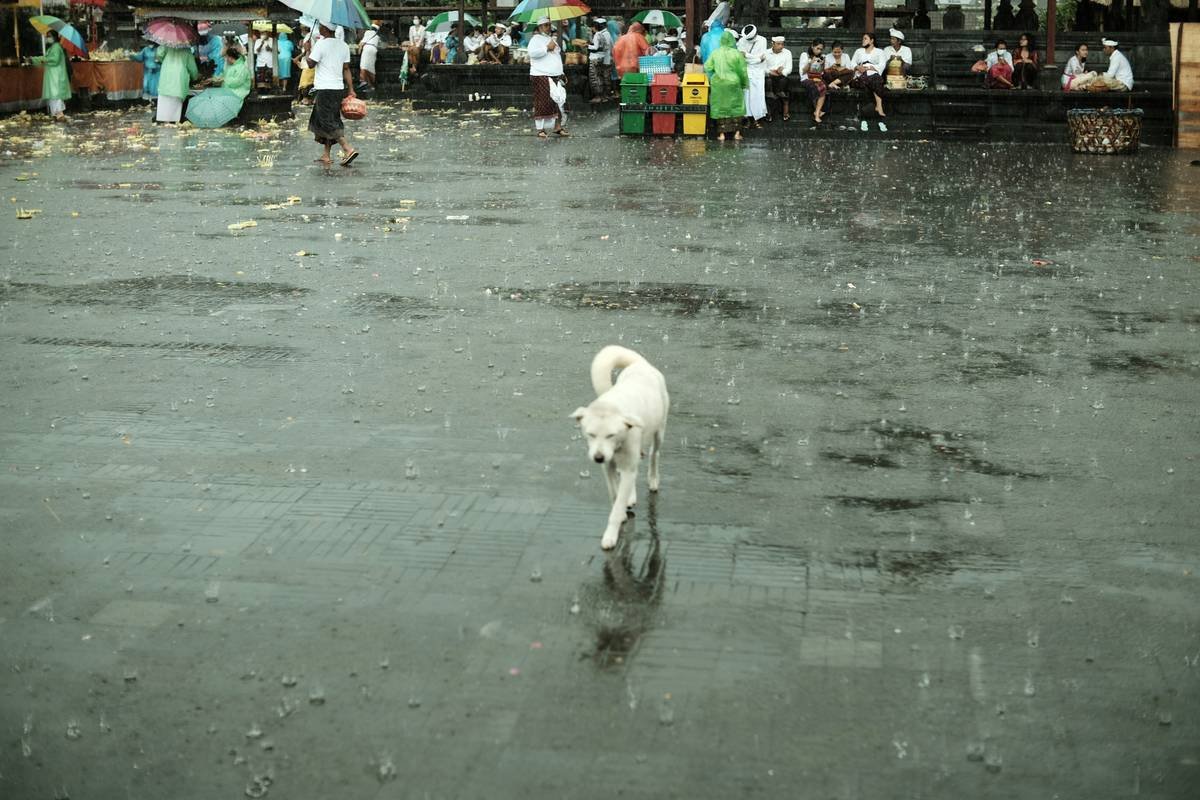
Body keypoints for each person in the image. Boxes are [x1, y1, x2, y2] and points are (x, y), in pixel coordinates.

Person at [306, 21, 359, 166]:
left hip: (324, 88)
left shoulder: (321, 45)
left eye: (321, 27)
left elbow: (310, 64)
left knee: (327, 121)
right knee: (328, 118)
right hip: (337, 88)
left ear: (325, 29)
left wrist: (306, 50)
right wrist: (351, 89)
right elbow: (346, 69)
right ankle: (326, 154)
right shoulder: (343, 45)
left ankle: (347, 148)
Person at [527, 17, 567, 139]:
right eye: (545, 25)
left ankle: (557, 126)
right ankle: (540, 129)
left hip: (555, 75)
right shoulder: (535, 39)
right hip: (541, 75)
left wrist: (562, 73)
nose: (548, 27)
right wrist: (546, 48)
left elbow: (556, 57)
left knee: (559, 101)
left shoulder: (551, 39)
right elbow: (532, 53)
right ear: (540, 27)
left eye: (549, 25)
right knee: (542, 103)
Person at [705, 30, 748, 142]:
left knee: (721, 107)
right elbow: (742, 70)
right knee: (736, 106)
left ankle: (722, 134)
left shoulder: (715, 53)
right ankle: (737, 133)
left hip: (718, 83)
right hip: (733, 82)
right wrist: (744, 83)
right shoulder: (737, 53)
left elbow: (707, 67)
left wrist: (715, 72)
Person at [31, 30, 70, 120]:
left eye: (49, 36)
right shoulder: (52, 47)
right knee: (53, 96)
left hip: (56, 76)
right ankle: (56, 114)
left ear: (54, 37)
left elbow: (54, 59)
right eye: (47, 36)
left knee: (56, 95)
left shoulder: (56, 47)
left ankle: (59, 114)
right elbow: (47, 59)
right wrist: (35, 60)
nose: (47, 38)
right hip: (52, 75)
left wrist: (39, 59)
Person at [155, 43, 198, 124]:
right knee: (175, 110)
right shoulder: (187, 51)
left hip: (166, 79)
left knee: (164, 105)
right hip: (178, 81)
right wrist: (195, 77)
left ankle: (163, 121)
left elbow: (159, 54)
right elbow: (193, 69)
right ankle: (173, 123)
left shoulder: (167, 46)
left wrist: (165, 61)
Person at [851, 32, 886, 126]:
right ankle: (879, 106)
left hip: (873, 73)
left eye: (865, 39)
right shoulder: (859, 51)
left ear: (872, 40)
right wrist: (858, 67)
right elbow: (852, 63)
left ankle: (870, 111)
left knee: (875, 79)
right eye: (863, 39)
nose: (863, 40)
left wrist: (871, 67)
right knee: (873, 80)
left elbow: (882, 65)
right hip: (860, 75)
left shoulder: (880, 52)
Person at [737, 25, 768, 128]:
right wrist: (757, 59)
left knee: (758, 96)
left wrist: (748, 56)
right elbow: (741, 57)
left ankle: (757, 119)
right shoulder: (742, 41)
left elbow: (762, 57)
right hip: (746, 71)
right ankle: (747, 118)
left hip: (758, 72)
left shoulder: (762, 40)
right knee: (746, 96)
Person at [764, 36, 793, 122]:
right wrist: (769, 72)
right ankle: (769, 113)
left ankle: (784, 109)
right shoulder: (766, 53)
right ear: (772, 44)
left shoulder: (787, 53)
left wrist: (782, 71)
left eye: (782, 44)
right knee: (768, 82)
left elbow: (789, 69)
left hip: (781, 76)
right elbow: (763, 67)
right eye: (778, 44)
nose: (781, 46)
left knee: (782, 82)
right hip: (769, 76)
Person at [799, 39, 828, 124]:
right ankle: (817, 114)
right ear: (812, 46)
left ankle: (817, 112)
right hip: (806, 78)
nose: (819, 51)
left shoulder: (822, 56)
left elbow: (821, 72)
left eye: (821, 49)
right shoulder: (805, 55)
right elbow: (802, 72)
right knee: (817, 87)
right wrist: (810, 63)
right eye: (817, 48)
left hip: (817, 78)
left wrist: (822, 64)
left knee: (823, 86)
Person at [587, 18, 613, 103]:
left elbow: (597, 47)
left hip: (599, 58)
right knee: (605, 77)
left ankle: (599, 96)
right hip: (606, 58)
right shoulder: (607, 33)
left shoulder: (599, 34)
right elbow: (611, 46)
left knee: (596, 77)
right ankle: (605, 96)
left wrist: (587, 46)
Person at [356, 24, 379, 90]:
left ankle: (363, 81)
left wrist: (359, 51)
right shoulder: (377, 36)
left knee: (363, 65)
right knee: (370, 67)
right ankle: (371, 85)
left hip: (367, 49)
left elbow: (362, 43)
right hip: (374, 49)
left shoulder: (368, 32)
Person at [296, 26, 316, 102]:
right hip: (310, 63)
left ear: (304, 30)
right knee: (310, 82)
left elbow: (306, 51)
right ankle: (310, 99)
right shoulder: (311, 36)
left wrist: (297, 58)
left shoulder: (308, 37)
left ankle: (306, 98)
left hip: (308, 63)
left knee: (305, 83)